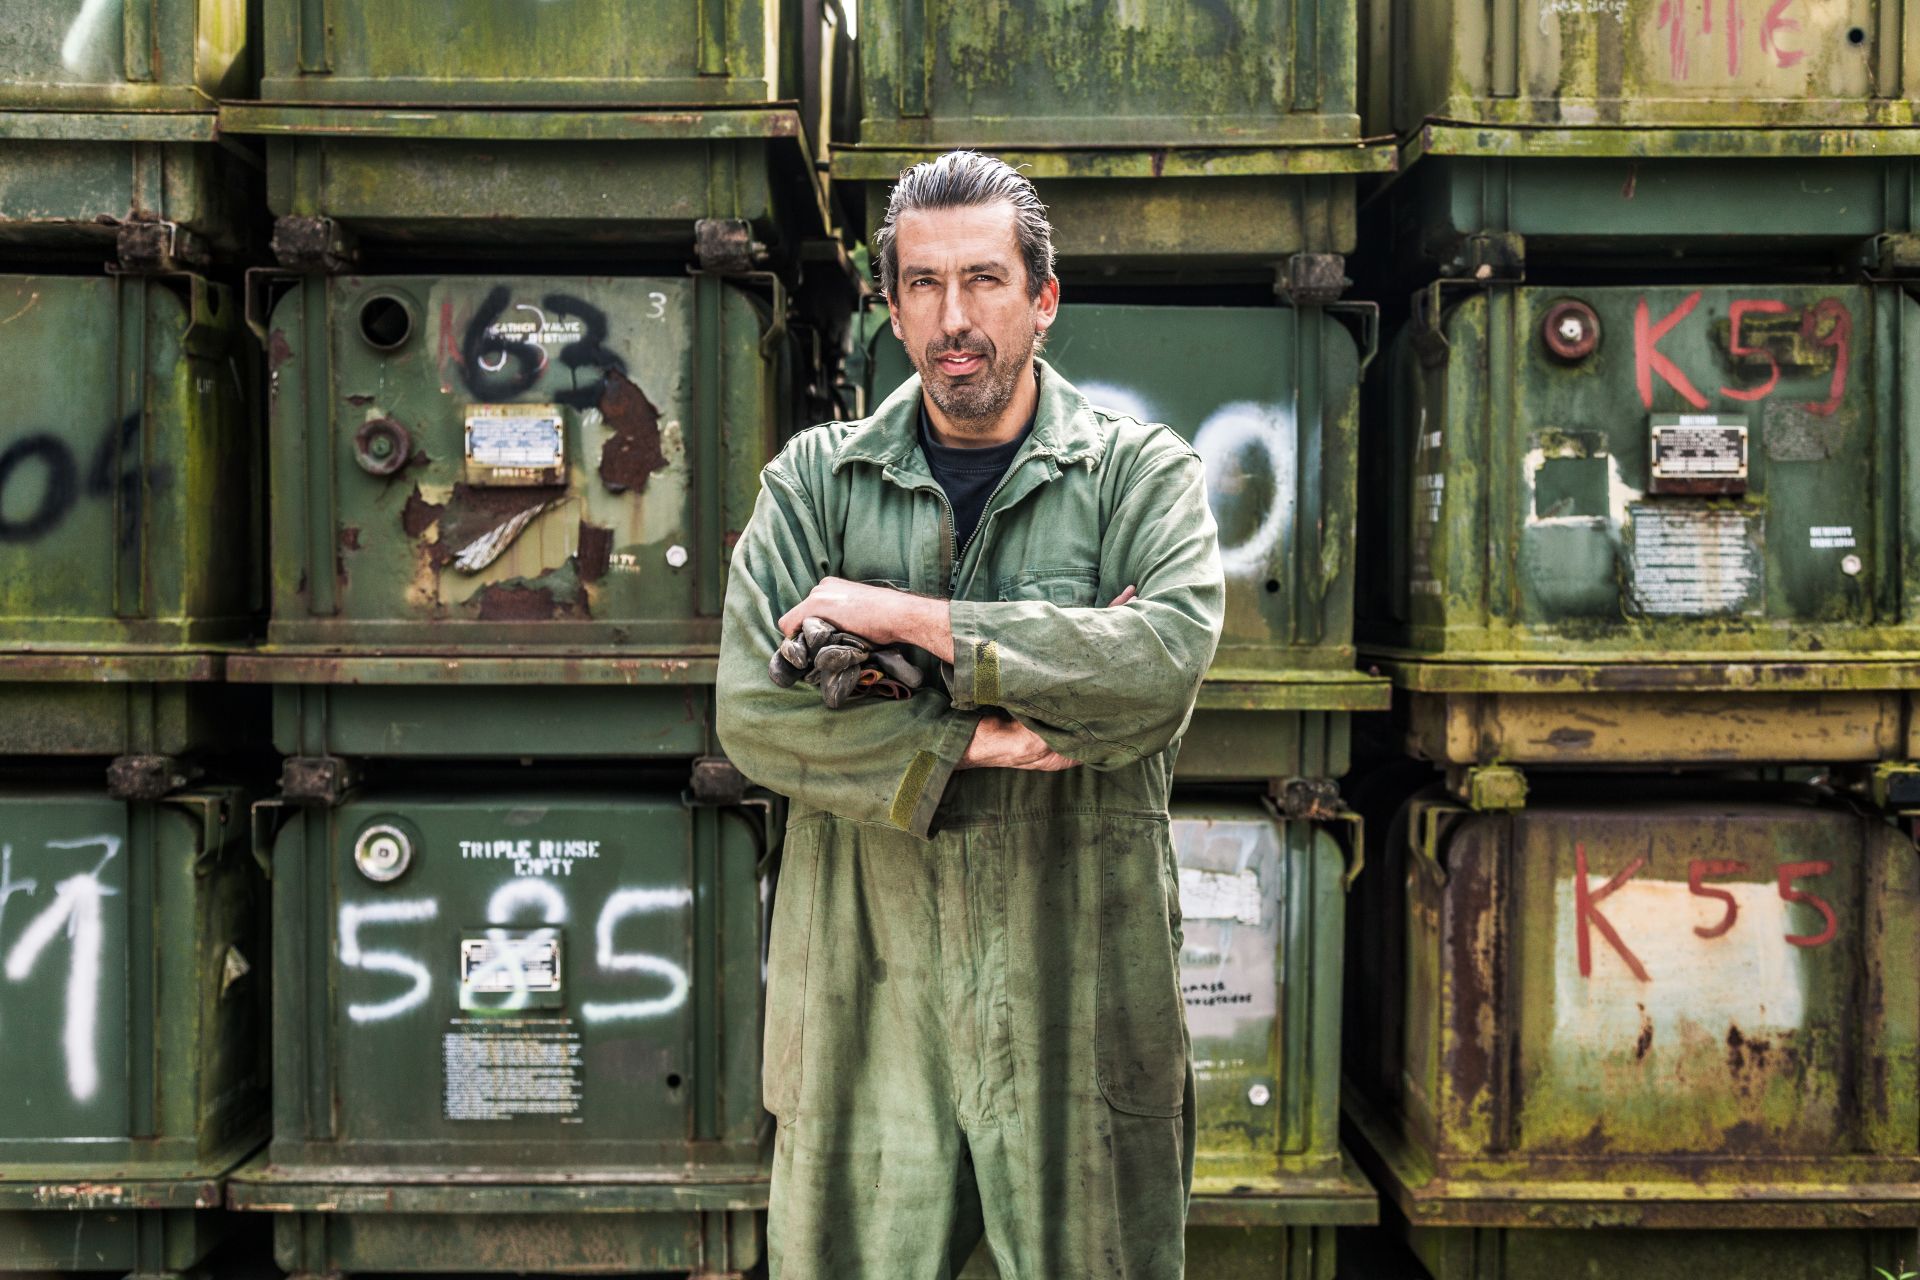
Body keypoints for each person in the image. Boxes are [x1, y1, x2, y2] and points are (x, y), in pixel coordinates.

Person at [715, 149, 1226, 1280]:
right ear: (893, 309)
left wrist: (901, 620)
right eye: (925, 284)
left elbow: (1159, 662)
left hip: (1079, 1000)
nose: (956, 317)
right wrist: (976, 732)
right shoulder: (813, 484)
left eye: (986, 280)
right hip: (864, 1003)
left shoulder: (1140, 477)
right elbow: (754, 710)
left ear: (1044, 300)